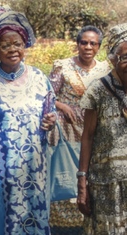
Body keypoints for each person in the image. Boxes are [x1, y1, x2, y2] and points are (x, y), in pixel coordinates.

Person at [0, 6, 57, 235]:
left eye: (17, 44)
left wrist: (51, 123)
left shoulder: (39, 78)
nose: (12, 50)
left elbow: (51, 118)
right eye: (5, 45)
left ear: (24, 45)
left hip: (35, 171)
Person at [48, 25, 111, 234]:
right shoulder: (63, 67)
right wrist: (62, 106)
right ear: (77, 44)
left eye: (93, 43)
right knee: (66, 179)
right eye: (84, 42)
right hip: (66, 134)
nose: (88, 46)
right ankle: (64, 227)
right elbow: (47, 96)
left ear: (99, 47)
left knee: (92, 179)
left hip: (95, 133)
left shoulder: (106, 70)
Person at [77, 23, 127, 235]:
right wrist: (82, 181)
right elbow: (87, 137)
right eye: (125, 57)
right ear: (113, 59)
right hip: (106, 183)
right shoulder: (98, 90)